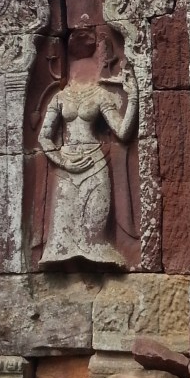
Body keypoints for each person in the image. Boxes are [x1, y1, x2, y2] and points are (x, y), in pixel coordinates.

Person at [38, 26, 138, 267]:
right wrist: (63, 161)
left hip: (95, 166)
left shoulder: (101, 95)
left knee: (94, 236)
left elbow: (123, 133)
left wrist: (134, 97)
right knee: (62, 236)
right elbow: (44, 137)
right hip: (66, 167)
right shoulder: (60, 97)